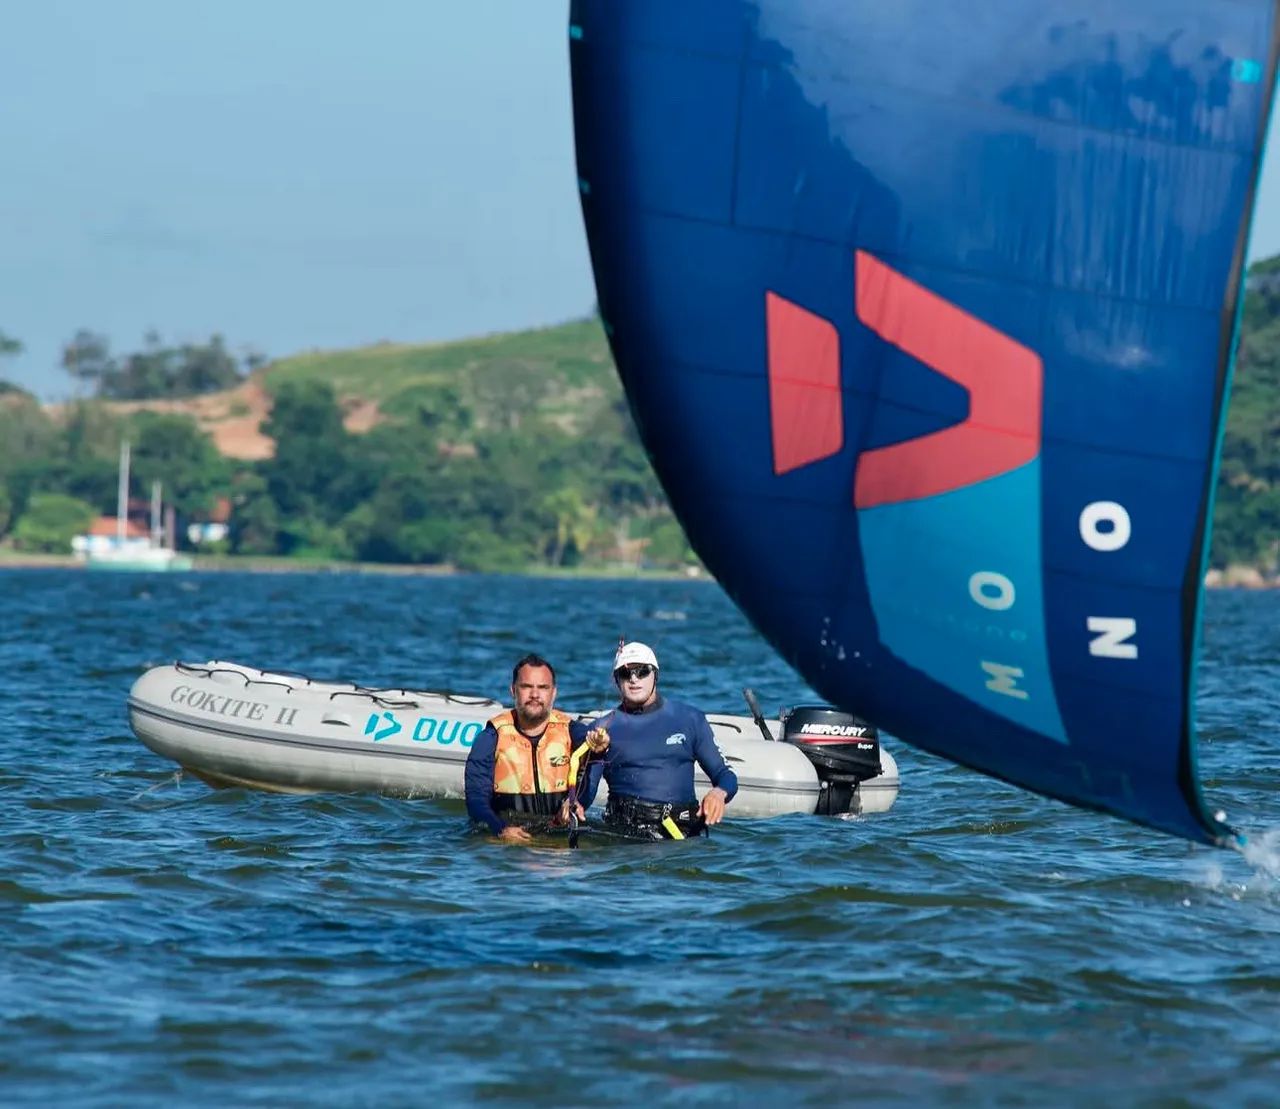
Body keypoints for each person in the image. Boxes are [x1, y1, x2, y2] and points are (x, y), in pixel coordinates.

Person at [580, 642, 737, 840]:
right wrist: (574, 804)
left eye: (642, 671)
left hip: (683, 837)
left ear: (656, 675)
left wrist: (719, 793)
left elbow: (725, 775)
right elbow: (585, 795)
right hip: (625, 837)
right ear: (616, 680)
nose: (634, 679)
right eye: (625, 673)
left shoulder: (690, 719)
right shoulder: (601, 731)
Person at [464, 653, 605, 843]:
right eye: (527, 687)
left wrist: (575, 801)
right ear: (513, 690)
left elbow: (595, 757)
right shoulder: (489, 739)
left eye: (543, 687)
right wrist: (500, 830)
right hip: (507, 838)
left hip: (558, 835)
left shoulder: (573, 732)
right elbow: (476, 801)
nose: (535, 695)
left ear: (553, 693)